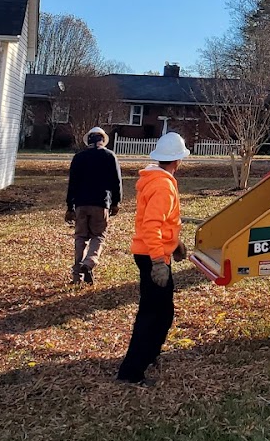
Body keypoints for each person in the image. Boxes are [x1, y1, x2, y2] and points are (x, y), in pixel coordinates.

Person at [117, 130, 190, 386]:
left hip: (152, 252)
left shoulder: (156, 179)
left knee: (163, 311)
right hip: (152, 256)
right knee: (152, 314)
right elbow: (151, 225)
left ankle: (150, 354)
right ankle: (131, 371)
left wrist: (175, 243)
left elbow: (162, 222)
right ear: (177, 161)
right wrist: (159, 261)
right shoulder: (162, 185)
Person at [65, 126, 123, 284]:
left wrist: (70, 206)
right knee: (98, 236)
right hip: (100, 203)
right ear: (103, 140)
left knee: (80, 237)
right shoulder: (110, 156)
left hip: (81, 203)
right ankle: (89, 263)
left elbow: (72, 184)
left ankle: (77, 275)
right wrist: (116, 202)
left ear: (88, 140)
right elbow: (116, 182)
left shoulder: (78, 157)